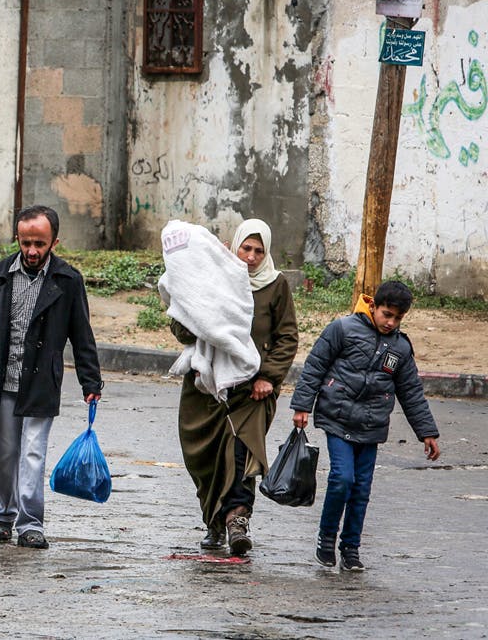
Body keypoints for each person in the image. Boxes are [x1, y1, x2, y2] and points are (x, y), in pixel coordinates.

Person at [0, 205, 103, 549]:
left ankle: (30, 523)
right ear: (18, 240)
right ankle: (4, 514)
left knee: (33, 453)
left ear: (54, 241)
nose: (32, 251)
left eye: (39, 243)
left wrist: (90, 382)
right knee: (6, 453)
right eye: (25, 243)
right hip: (1, 382)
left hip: (40, 383)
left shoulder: (67, 281)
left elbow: (82, 334)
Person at [290, 280, 440, 571]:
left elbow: (411, 392)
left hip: (371, 426)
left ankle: (351, 549)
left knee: (361, 490)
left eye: (398, 317)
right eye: (387, 314)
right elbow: (314, 366)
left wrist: (427, 432)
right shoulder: (343, 329)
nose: (391, 322)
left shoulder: (400, 347)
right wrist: (302, 406)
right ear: (373, 306)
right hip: (337, 418)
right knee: (342, 480)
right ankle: (326, 539)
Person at [171, 218, 298, 556]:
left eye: (259, 250)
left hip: (252, 392)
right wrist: (195, 319)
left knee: (240, 455)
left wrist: (268, 377)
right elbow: (181, 327)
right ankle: (214, 520)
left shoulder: (275, 285)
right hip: (206, 389)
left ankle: (237, 520)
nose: (252, 257)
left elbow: (287, 337)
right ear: (234, 246)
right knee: (206, 458)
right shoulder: (213, 279)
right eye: (246, 248)